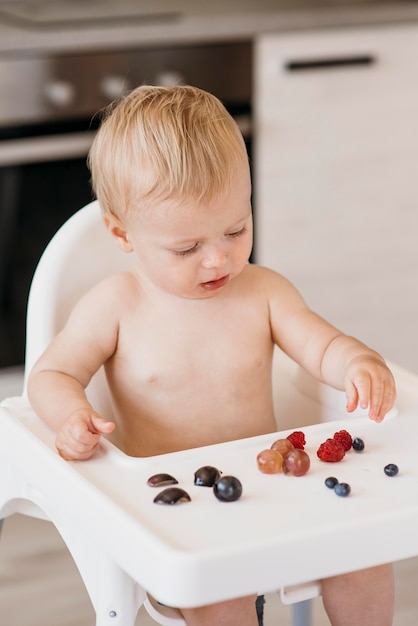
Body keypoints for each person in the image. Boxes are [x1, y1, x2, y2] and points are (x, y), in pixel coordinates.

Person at [27, 85, 396, 626]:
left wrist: (359, 362)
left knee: (366, 557)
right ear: (121, 233)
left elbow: (323, 347)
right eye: (186, 248)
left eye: (236, 229)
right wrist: (69, 418)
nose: (218, 258)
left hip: (278, 493)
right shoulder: (115, 306)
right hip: (181, 519)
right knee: (221, 598)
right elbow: (52, 373)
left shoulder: (264, 291)